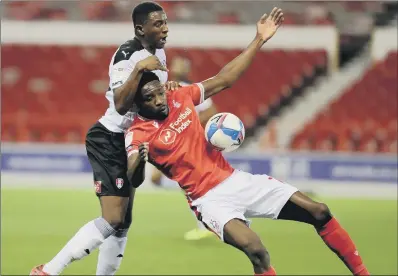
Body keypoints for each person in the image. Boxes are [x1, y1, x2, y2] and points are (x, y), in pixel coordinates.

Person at [125, 8, 369, 276]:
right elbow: (132, 176)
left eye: (159, 93)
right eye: (150, 98)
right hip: (208, 201)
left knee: (319, 211)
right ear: (138, 103)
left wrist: (259, 39)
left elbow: (225, 79)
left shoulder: (179, 96)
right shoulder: (138, 133)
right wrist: (139, 161)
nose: (159, 100)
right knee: (257, 251)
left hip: (237, 180)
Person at [30, 2, 179, 276]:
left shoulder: (158, 50)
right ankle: (48, 271)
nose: (165, 28)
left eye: (165, 22)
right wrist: (137, 70)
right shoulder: (126, 57)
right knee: (112, 218)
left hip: (133, 137)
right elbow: (122, 105)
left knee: (123, 222)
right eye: (158, 24)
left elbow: (149, 95)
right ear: (140, 29)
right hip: (110, 137)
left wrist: (167, 89)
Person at [151, 56, 217, 241]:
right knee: (164, 180)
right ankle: (208, 221)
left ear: (187, 68)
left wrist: (187, 124)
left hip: (187, 143)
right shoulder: (167, 87)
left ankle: (207, 224)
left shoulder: (191, 88)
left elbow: (211, 112)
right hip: (172, 143)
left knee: (187, 184)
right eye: (175, 64)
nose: (176, 66)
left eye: (181, 64)